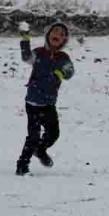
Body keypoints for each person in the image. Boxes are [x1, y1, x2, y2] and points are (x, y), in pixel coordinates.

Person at [15, 21, 75, 176]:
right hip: (33, 101)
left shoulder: (63, 58)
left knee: (53, 133)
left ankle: (40, 150)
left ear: (64, 41)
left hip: (49, 103)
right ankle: (22, 166)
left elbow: (70, 72)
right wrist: (25, 39)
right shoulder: (39, 53)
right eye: (55, 31)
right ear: (48, 35)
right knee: (33, 136)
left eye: (62, 35)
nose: (58, 35)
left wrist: (61, 73)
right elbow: (26, 57)